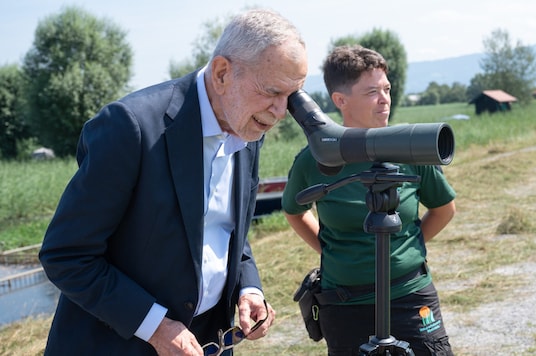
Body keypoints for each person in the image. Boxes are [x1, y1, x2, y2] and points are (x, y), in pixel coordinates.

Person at [38, 9, 308, 356]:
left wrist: (248, 288)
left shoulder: (249, 124)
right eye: (272, 91)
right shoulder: (129, 126)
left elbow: (227, 234)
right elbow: (66, 255)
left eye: (292, 95)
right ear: (223, 73)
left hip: (208, 343)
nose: (280, 111)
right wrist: (155, 327)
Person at [282, 45, 456, 355]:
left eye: (387, 89)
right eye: (372, 91)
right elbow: (294, 211)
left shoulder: (410, 148)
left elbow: (444, 209)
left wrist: (403, 249)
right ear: (340, 100)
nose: (385, 98)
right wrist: (330, 251)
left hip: (410, 295)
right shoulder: (315, 160)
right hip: (345, 304)